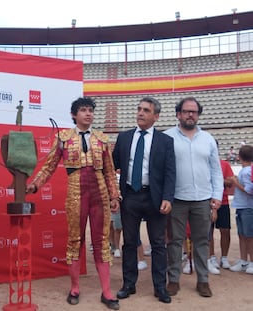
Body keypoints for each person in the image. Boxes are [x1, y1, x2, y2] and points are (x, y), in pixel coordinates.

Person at [26, 97, 121, 310]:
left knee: (102, 241)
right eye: (83, 110)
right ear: (74, 115)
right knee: (75, 240)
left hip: (100, 194)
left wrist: (115, 196)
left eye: (90, 110)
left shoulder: (102, 139)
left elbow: (109, 170)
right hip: (76, 193)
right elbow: (49, 166)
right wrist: (35, 185)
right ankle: (75, 287)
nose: (88, 114)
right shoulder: (64, 138)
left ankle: (106, 291)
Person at [112, 96, 175, 304]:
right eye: (139, 109)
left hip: (154, 198)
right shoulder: (124, 137)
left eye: (146, 110)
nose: (140, 113)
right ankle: (128, 284)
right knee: (129, 243)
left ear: (156, 116)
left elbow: (170, 172)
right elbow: (112, 165)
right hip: (130, 196)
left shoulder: (166, 141)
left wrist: (167, 197)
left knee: (158, 244)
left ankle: (160, 287)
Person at [165, 96, 223, 298]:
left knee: (202, 241)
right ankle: (173, 279)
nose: (190, 115)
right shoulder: (166, 137)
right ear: (178, 114)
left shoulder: (207, 139)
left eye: (194, 112)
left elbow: (216, 170)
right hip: (177, 199)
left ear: (198, 115)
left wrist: (217, 196)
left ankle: (203, 280)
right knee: (174, 241)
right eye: (186, 111)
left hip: (202, 199)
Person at [208, 140, 235, 274]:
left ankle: (224, 257)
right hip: (206, 202)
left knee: (225, 230)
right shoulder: (204, 164)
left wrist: (217, 179)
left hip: (222, 201)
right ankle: (211, 256)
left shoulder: (224, 164)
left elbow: (230, 182)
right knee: (208, 232)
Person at [228, 144, 253, 274]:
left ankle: (250, 261)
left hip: (247, 207)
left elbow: (249, 190)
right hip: (243, 206)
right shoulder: (247, 171)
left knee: (248, 236)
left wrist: (235, 183)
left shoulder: (247, 171)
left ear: (239, 156)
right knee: (243, 235)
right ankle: (244, 260)